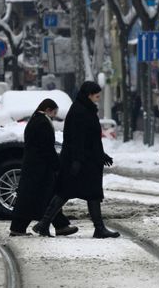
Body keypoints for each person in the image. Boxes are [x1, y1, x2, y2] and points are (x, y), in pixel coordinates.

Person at [44, 81, 118, 238]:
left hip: (86, 160)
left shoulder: (86, 109)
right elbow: (77, 139)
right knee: (66, 192)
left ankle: (99, 228)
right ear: (88, 94)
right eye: (96, 94)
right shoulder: (80, 111)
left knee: (89, 194)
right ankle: (43, 224)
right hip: (79, 161)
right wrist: (77, 161)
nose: (98, 97)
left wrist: (102, 155)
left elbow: (91, 139)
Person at [9, 98, 69, 236]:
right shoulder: (42, 123)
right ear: (48, 110)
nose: (54, 116)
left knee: (39, 197)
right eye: (54, 113)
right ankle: (57, 226)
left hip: (34, 166)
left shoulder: (35, 120)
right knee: (37, 198)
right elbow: (47, 147)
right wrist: (56, 164)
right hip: (40, 167)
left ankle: (60, 225)